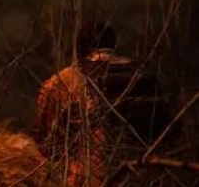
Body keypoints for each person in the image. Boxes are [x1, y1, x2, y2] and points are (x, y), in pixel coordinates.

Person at [34, 20, 171, 187]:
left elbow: (42, 147)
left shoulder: (64, 82)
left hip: (93, 180)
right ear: (113, 44)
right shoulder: (144, 77)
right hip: (146, 177)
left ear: (78, 50)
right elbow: (170, 137)